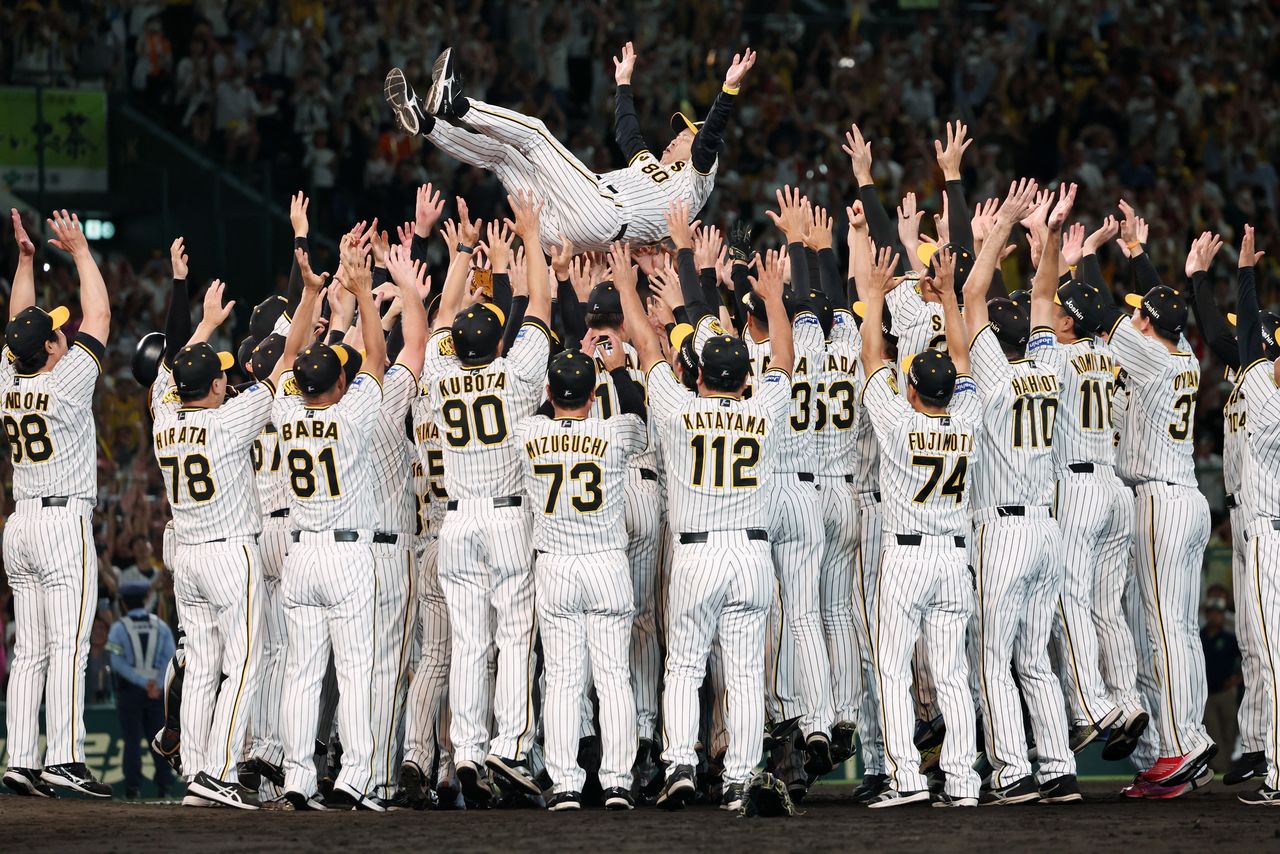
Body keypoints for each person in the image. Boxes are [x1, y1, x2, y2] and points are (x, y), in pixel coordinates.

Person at [620, 239, 794, 812]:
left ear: (699, 377)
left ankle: (679, 767)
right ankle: (741, 775)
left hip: (695, 555)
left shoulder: (678, 408)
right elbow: (786, 365)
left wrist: (627, 286)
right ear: (745, 379)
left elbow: (647, 350)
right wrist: (772, 300)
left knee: (685, 664)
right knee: (743, 672)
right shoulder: (761, 408)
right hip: (750, 556)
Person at [1057, 242, 1215, 791]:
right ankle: (1177, 743)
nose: (1134, 319)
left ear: (1148, 326)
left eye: (1140, 314)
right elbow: (1157, 312)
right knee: (1178, 631)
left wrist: (1085, 260)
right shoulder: (1184, 355)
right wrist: (1145, 258)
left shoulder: (1147, 353)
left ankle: (1180, 745)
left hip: (1160, 500)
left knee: (1162, 632)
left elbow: (1097, 312)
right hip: (1186, 498)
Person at [149, 269, 304, 809]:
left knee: (202, 666)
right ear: (215, 385)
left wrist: (205, 326)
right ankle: (216, 770)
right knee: (245, 662)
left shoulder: (163, 418)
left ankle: (195, 769)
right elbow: (283, 363)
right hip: (228, 553)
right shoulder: (229, 422)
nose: (224, 379)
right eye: (218, 375)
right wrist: (305, 294)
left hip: (186, 558)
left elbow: (166, 380)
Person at [419, 191, 552, 805]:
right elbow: (542, 305)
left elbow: (443, 318)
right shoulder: (517, 374)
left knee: (470, 640)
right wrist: (526, 234)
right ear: (497, 341)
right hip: (504, 517)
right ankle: (509, 748)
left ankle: (467, 750)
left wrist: (463, 256)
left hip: (456, 520)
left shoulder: (443, 374)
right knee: (515, 632)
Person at [383, 42, 756, 251]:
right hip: (560, 230)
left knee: (535, 134)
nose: (678, 136)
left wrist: (727, 92)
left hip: (604, 215)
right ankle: (427, 123)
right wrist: (623, 83)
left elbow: (708, 142)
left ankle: (458, 104)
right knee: (504, 156)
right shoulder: (650, 167)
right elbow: (628, 133)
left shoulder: (696, 181)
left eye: (685, 135)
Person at [855, 243, 982, 808]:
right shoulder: (969, 415)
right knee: (953, 675)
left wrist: (875, 298)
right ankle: (963, 782)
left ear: (913, 389)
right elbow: (963, 360)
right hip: (954, 557)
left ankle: (906, 777)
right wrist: (950, 295)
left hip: (906, 556)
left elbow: (873, 361)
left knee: (892, 668)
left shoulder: (898, 420)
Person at [273, 238, 388, 811]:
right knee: (355, 667)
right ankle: (354, 778)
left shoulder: (287, 410)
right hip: (345, 556)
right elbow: (377, 359)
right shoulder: (351, 412)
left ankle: (298, 779)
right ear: (336, 386)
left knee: (301, 674)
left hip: (300, 556)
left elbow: (289, 358)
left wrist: (310, 294)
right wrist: (364, 291)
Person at [1, 209, 113, 799]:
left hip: (19, 521)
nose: (64, 333)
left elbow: (19, 323)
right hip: (60, 521)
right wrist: (80, 253)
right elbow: (98, 314)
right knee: (66, 642)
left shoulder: (10, 376)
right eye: (55, 332)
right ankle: (64, 757)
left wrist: (25, 263)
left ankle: (21, 757)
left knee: (30, 651)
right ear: (48, 347)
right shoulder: (63, 382)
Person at [518, 343, 647, 811]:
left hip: (556, 565)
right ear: (594, 395)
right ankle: (616, 781)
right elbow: (638, 413)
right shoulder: (613, 432)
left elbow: (544, 409)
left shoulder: (531, 431)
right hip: (606, 562)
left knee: (563, 678)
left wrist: (558, 394)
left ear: (550, 392)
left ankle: (567, 784)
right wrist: (616, 370)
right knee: (613, 676)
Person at [106, 580, 176, 799]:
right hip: (156, 692)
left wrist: (141, 681)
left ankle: (132, 788)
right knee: (160, 738)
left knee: (132, 739)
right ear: (147, 600)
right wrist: (155, 683)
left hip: (130, 692)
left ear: (124, 604)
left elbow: (115, 661)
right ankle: (165, 785)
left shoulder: (118, 628)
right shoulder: (161, 626)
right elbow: (170, 658)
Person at [1199, 585, 1242, 775]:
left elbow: (1247, 659)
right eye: (1212, 613)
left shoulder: (1230, 637)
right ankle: (1221, 769)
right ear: (1207, 614)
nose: (1215, 616)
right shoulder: (1198, 637)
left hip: (1226, 691)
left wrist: (1236, 679)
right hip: (1206, 693)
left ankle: (1227, 767)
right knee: (1213, 732)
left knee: (1230, 731)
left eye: (1218, 613)